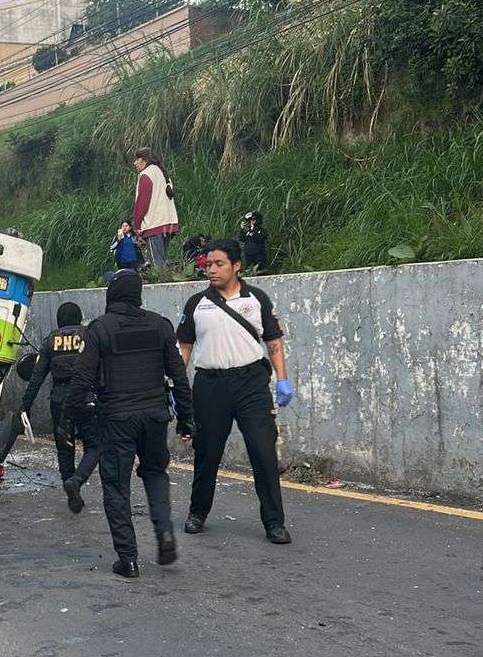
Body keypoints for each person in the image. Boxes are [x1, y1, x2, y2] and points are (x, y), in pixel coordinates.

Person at [65, 269, 194, 576]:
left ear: (112, 294)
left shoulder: (100, 329)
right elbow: (179, 377)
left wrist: (69, 421)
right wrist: (186, 419)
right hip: (155, 416)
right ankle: (164, 534)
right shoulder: (160, 325)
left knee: (116, 486)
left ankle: (128, 558)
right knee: (155, 474)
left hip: (117, 418)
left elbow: (82, 378)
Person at [176, 239, 292, 544]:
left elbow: (274, 342)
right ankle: (197, 513)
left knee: (262, 451)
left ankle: (274, 523)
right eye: (208, 265)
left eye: (218, 264)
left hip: (251, 383)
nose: (211, 270)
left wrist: (282, 378)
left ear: (236, 265)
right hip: (210, 385)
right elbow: (184, 350)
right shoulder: (196, 304)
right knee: (207, 452)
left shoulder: (257, 299)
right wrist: (175, 387)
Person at [20, 301, 102, 514]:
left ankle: (70, 489)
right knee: (94, 446)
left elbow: (37, 377)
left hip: (60, 401)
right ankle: (77, 480)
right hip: (86, 397)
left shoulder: (50, 341)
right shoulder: (88, 335)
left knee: (64, 448)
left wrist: (25, 406)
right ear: (78, 317)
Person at [130, 146, 179, 271]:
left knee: (157, 267)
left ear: (144, 160)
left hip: (154, 225)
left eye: (137, 159)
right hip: (167, 224)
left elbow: (142, 202)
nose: (135, 163)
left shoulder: (146, 175)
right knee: (162, 261)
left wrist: (136, 225)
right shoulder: (162, 173)